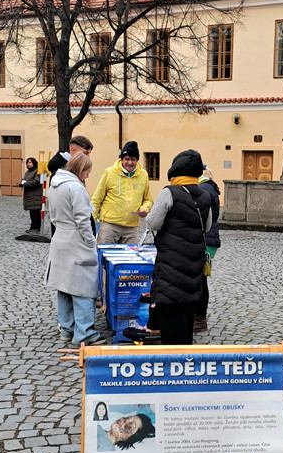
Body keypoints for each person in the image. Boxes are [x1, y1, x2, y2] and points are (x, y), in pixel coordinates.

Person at [145, 149, 211, 344]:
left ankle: (172, 362)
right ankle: (186, 354)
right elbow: (206, 227)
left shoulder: (169, 192)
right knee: (187, 307)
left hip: (171, 263)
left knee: (171, 309)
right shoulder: (205, 195)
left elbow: (152, 223)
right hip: (194, 263)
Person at [45, 151, 101, 346]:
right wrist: (90, 243)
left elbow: (51, 215)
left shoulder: (54, 186)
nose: (88, 175)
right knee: (83, 287)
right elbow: (83, 220)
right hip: (75, 240)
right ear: (79, 169)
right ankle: (84, 332)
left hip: (60, 238)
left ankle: (67, 329)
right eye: (87, 171)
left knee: (64, 286)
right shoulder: (75, 188)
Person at [91, 141, 153, 245]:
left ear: (137, 160)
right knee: (105, 257)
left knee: (129, 259)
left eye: (133, 159)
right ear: (121, 159)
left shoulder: (143, 175)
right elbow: (97, 199)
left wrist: (145, 208)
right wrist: (90, 223)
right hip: (109, 225)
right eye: (127, 159)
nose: (130, 162)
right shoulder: (109, 172)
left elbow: (148, 199)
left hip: (131, 228)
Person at [193, 166, 221, 333]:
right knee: (201, 278)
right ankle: (199, 317)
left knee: (200, 280)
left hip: (205, 239)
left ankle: (199, 318)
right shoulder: (211, 188)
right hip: (210, 239)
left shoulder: (202, 189)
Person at [19, 157, 43, 234]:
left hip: (35, 195)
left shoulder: (37, 172)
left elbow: (36, 182)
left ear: (34, 163)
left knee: (36, 213)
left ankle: (36, 228)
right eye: (27, 162)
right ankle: (33, 227)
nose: (28, 164)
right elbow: (24, 180)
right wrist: (21, 183)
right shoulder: (28, 172)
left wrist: (25, 183)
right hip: (29, 196)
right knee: (32, 213)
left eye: (30, 162)